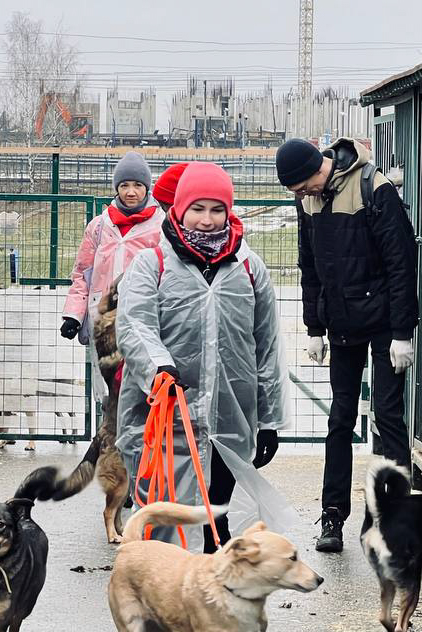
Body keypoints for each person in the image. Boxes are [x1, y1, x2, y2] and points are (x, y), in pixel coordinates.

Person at [115, 161, 284, 554]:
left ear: (229, 211)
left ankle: (210, 580)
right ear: (179, 208)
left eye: (217, 210)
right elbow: (135, 324)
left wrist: (270, 420)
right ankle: (163, 584)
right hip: (165, 417)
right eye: (198, 209)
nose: (207, 220)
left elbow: (267, 345)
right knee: (165, 519)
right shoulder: (152, 265)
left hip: (230, 419)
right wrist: (159, 366)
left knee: (218, 521)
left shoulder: (248, 268)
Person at [276, 137, 418, 553]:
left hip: (383, 322)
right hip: (340, 322)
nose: (304, 195)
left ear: (317, 168)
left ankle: (397, 518)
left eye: (304, 186)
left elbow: (401, 262)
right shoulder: (308, 202)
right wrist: (314, 327)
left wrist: (402, 332)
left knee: (388, 416)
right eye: (297, 192)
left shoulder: (374, 187)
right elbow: (309, 265)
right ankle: (333, 516)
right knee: (339, 419)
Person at [60, 151, 164, 380]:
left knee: (141, 384)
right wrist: (74, 315)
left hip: (144, 321)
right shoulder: (99, 227)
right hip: (104, 322)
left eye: (137, 185)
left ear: (147, 188)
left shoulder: (160, 228)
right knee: (108, 388)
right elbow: (82, 275)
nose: (131, 192)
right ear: (117, 188)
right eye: (124, 185)